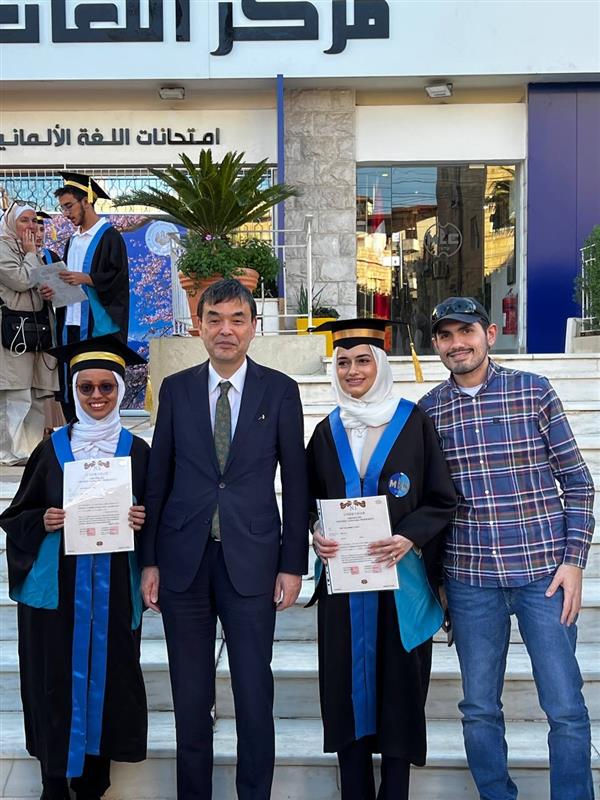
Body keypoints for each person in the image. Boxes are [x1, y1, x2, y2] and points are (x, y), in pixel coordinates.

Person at [419, 296, 595, 800]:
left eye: (466, 332)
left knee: (564, 705)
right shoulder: (428, 412)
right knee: (478, 708)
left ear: (490, 334)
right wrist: (438, 582)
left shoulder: (533, 391)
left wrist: (573, 562)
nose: (457, 343)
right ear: (436, 345)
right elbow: (432, 505)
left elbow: (578, 484)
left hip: (544, 576)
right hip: (471, 581)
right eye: (446, 335)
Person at [140, 278, 309, 800]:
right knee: (190, 699)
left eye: (237, 319)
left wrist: (292, 564)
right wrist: (150, 561)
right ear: (198, 326)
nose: (225, 330)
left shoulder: (280, 390)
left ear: (254, 327)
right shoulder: (176, 389)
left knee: (254, 693)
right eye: (214, 319)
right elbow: (158, 478)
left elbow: (296, 483)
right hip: (183, 562)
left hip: (253, 562)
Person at [308, 318, 456, 800]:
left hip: (402, 585)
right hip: (345, 587)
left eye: (362, 361)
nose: (352, 371)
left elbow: (441, 498)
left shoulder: (413, 422)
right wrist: (316, 533)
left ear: (381, 365)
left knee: (399, 695)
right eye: (343, 362)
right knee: (345, 694)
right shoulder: (326, 431)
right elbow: (309, 500)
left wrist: (409, 536)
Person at [0, 334, 150, 800]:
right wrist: (43, 520)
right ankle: (52, 780)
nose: (97, 396)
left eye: (107, 387)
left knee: (108, 678)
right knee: (54, 679)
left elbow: (161, 518)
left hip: (113, 590)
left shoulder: (138, 452)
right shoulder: (51, 451)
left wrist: (141, 519)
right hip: (58, 594)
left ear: (120, 390)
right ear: (73, 390)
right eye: (86, 387)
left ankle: (92, 782)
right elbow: (16, 517)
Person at [54, 172, 129, 420]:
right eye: (63, 208)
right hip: (72, 324)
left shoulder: (110, 237)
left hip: (98, 326)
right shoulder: (73, 241)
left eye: (69, 206)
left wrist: (86, 278)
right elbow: (70, 281)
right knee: (74, 385)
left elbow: (118, 279)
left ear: (86, 201)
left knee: (98, 383)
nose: (66, 214)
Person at [0, 201, 58, 465]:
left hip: (39, 331)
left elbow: (42, 285)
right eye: (24, 220)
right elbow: (21, 280)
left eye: (34, 221)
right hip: (14, 334)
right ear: (11, 223)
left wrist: (50, 290)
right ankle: (11, 453)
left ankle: (33, 451)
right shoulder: (4, 247)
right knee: (16, 394)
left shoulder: (37, 251)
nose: (31, 226)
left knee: (37, 394)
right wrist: (31, 254)